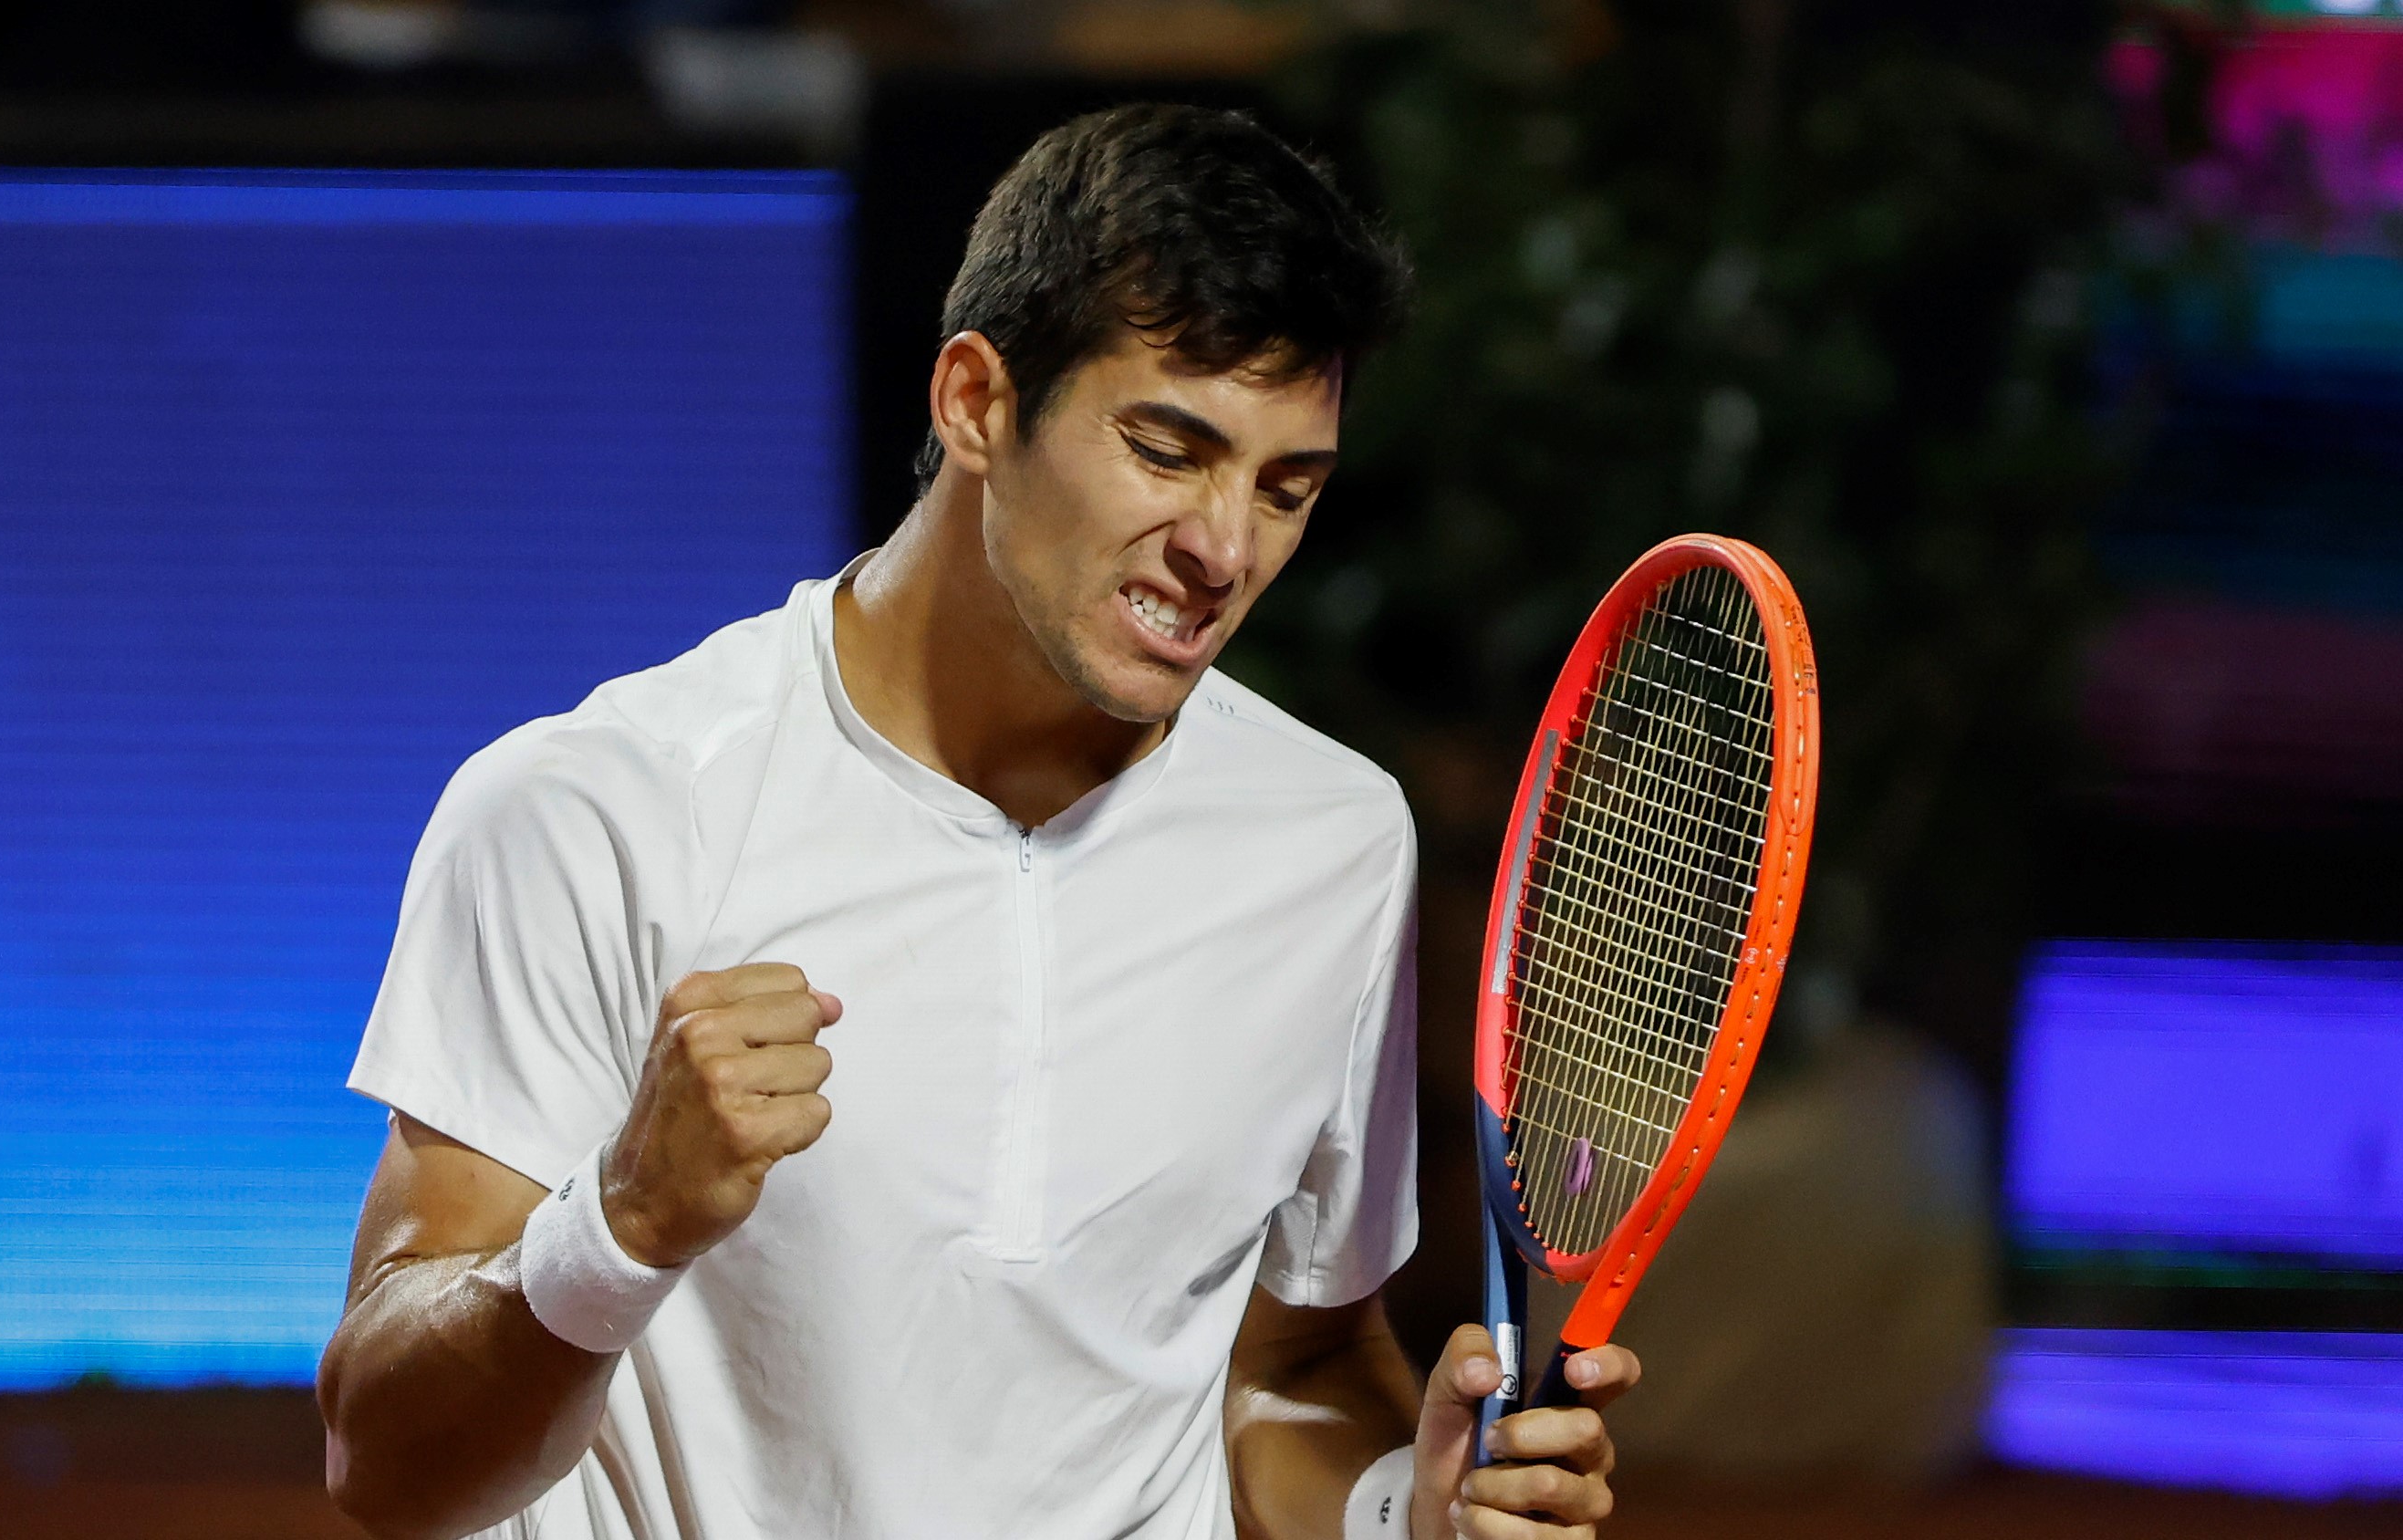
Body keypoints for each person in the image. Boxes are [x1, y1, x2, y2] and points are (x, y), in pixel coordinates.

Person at [319, 104, 1638, 1540]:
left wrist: (1412, 1509)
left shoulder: (1334, 842)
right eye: (1165, 447)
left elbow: (1292, 1358)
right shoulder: (593, 810)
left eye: (1284, 487)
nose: (1224, 547)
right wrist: (620, 1225)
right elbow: (386, 1473)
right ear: (974, 402)